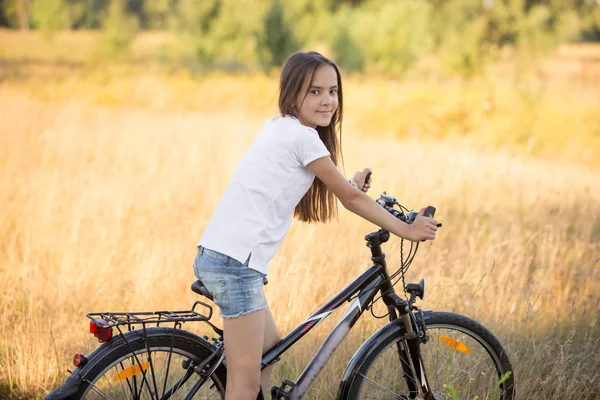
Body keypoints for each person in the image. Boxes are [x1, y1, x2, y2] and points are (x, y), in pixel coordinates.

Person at [192, 51, 438, 400]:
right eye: (315, 92)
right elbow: (349, 201)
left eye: (333, 91)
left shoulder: (279, 127)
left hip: (221, 254)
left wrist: (349, 182)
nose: (327, 101)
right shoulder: (303, 138)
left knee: (268, 351)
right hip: (236, 265)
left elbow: (317, 185)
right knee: (244, 385)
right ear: (292, 94)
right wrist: (407, 229)